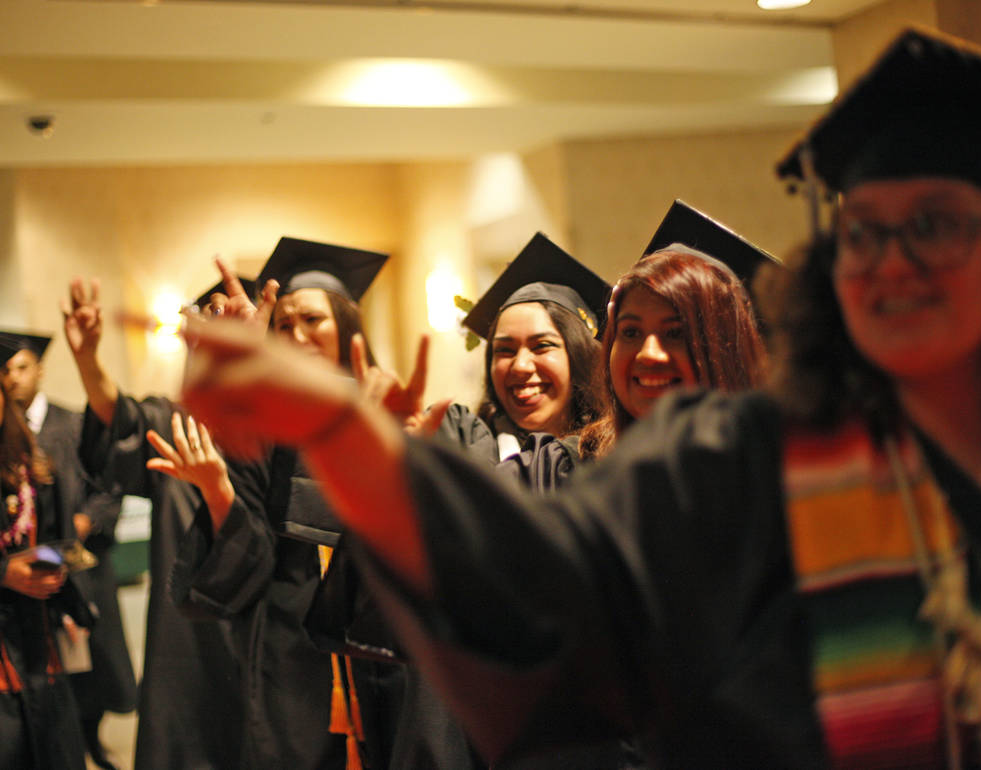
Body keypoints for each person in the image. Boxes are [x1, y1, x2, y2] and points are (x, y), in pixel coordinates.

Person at [179, 27, 981, 768]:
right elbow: (537, 582)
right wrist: (344, 433)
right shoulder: (737, 454)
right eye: (864, 232)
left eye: (933, 224)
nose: (890, 261)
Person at [165, 238, 478, 770]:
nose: (297, 335)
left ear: (347, 326)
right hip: (294, 643)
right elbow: (247, 548)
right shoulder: (264, 428)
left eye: (312, 319)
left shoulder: (392, 405)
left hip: (386, 627)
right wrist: (218, 490)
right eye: (283, 325)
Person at [64, 277, 245, 770]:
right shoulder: (175, 422)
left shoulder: (281, 436)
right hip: (186, 633)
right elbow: (118, 416)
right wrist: (87, 359)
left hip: (259, 626)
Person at [0, 330, 135, 770]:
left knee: (66, 721)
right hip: (9, 635)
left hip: (49, 611)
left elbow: (104, 491)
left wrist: (68, 601)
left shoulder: (44, 448)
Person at [578, 201, 774, 458]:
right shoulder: (569, 469)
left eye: (675, 333)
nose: (649, 354)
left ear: (726, 349)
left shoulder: (782, 475)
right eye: (630, 332)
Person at [442, 233, 609, 492]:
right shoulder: (465, 451)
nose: (520, 366)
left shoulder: (609, 458)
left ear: (579, 357)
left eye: (542, 346)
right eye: (505, 350)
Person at [0, 374, 93, 769]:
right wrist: (3, 572)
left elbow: (53, 537)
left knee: (56, 746)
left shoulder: (27, 463)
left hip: (39, 629)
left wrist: (65, 598)